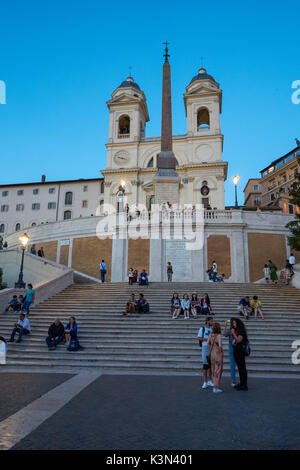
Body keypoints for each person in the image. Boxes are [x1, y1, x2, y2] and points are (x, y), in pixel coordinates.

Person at [231, 318, 249, 391]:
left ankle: (244, 385)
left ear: (238, 323)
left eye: (234, 323)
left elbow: (238, 340)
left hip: (240, 351)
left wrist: (233, 333)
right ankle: (241, 383)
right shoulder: (237, 330)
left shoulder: (241, 331)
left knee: (242, 368)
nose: (233, 325)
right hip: (236, 350)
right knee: (240, 368)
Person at [207, 322, 224, 393]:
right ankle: (215, 387)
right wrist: (221, 351)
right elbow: (220, 346)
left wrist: (212, 348)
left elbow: (208, 343)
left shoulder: (211, 335)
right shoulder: (218, 336)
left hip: (212, 355)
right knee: (217, 371)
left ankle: (214, 386)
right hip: (217, 355)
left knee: (213, 370)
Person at [197, 317, 214, 389]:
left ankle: (209, 380)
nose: (212, 322)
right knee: (205, 365)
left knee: (210, 364)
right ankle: (205, 382)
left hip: (211, 348)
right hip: (205, 347)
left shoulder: (212, 329)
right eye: (211, 321)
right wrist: (207, 339)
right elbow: (198, 337)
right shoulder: (202, 329)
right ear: (207, 321)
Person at [223, 319, 237, 387]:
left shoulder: (239, 330)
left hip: (238, 347)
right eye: (233, 323)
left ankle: (241, 380)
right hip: (232, 347)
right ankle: (233, 380)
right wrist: (225, 326)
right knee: (232, 364)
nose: (234, 324)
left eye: (234, 323)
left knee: (238, 364)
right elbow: (224, 334)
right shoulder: (230, 330)